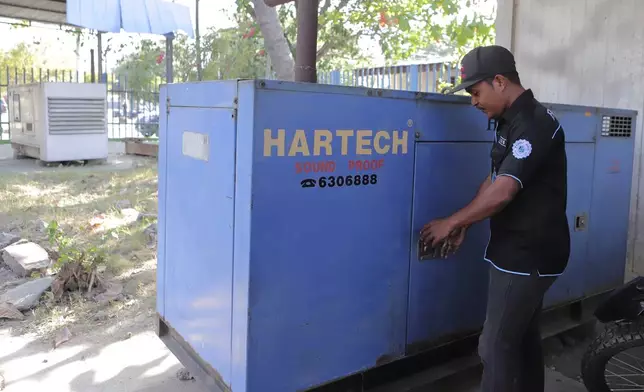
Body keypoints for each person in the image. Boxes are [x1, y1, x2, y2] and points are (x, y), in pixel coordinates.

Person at [420, 45, 570, 392]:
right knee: (521, 338)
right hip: (518, 251)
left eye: (476, 91)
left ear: (499, 81)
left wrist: (451, 222)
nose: (473, 101)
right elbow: (493, 179)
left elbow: (503, 191)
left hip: (527, 254)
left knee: (494, 345)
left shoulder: (533, 123)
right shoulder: (509, 121)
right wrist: (466, 222)